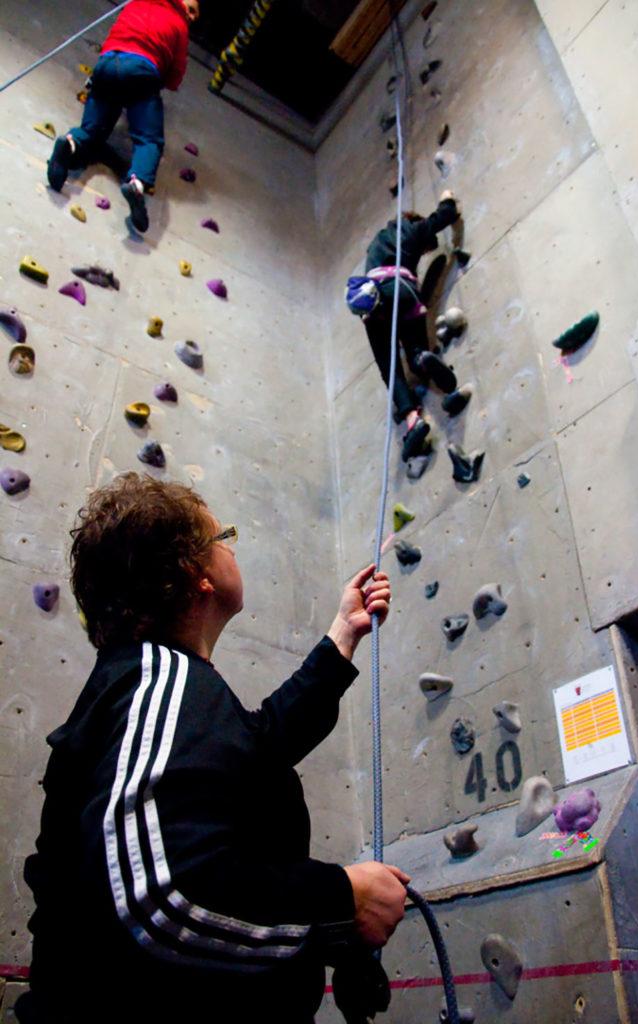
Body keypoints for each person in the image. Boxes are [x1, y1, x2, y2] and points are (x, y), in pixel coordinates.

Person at [16, 473, 408, 1024]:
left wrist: (342, 634)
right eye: (222, 536)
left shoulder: (158, 686)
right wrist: (340, 896)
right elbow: (165, 897)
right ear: (194, 573)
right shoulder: (154, 683)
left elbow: (257, 745)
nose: (231, 548)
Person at [47, 0, 199, 232]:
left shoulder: (136, 2)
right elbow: (175, 78)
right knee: (149, 140)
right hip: (143, 72)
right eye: (191, 10)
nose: (192, 17)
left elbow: (114, 35)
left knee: (92, 131)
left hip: (108, 63)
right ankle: (137, 183)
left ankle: (69, 145)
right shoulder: (179, 25)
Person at [360, 189, 472, 462]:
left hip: (372, 300)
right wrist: (448, 197)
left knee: (389, 366)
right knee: (414, 345)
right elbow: (443, 216)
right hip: (402, 289)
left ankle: (412, 419)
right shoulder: (413, 229)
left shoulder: (374, 245)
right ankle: (422, 358)